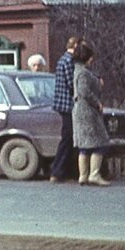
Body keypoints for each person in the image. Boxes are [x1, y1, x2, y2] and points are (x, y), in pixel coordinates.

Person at [72, 40, 111, 187]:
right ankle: (94, 174)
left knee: (84, 145)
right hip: (87, 112)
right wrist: (97, 102)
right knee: (98, 142)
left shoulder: (78, 70)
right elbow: (84, 91)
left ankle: (83, 175)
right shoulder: (83, 73)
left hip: (80, 110)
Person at [49, 37, 80, 183]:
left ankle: (66, 170)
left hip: (64, 104)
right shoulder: (68, 61)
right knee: (68, 138)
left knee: (70, 138)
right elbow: (71, 83)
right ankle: (57, 170)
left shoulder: (63, 60)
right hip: (67, 105)